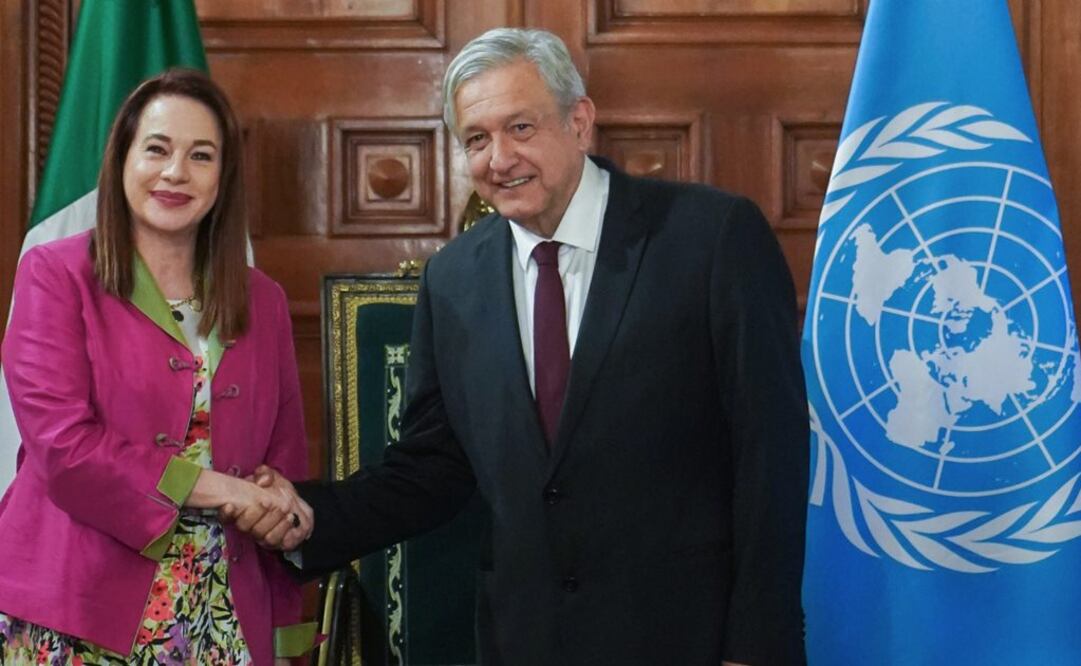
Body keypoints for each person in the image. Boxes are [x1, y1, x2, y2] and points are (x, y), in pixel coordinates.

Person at [255, 27, 809, 665]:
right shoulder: (453, 280)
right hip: (525, 640)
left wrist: (755, 647)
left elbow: (771, 456)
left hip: (687, 639)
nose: (499, 158)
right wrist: (307, 516)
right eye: (476, 139)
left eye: (520, 127)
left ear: (579, 122)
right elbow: (431, 469)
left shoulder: (710, 238)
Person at [0, 69, 316, 665]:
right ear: (122, 160)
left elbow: (284, 459)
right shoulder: (54, 275)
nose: (176, 173)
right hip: (76, 609)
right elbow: (64, 448)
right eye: (157, 149)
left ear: (223, 176)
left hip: (221, 611)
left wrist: (282, 505)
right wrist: (223, 489)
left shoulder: (265, 300)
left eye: (201, 155)